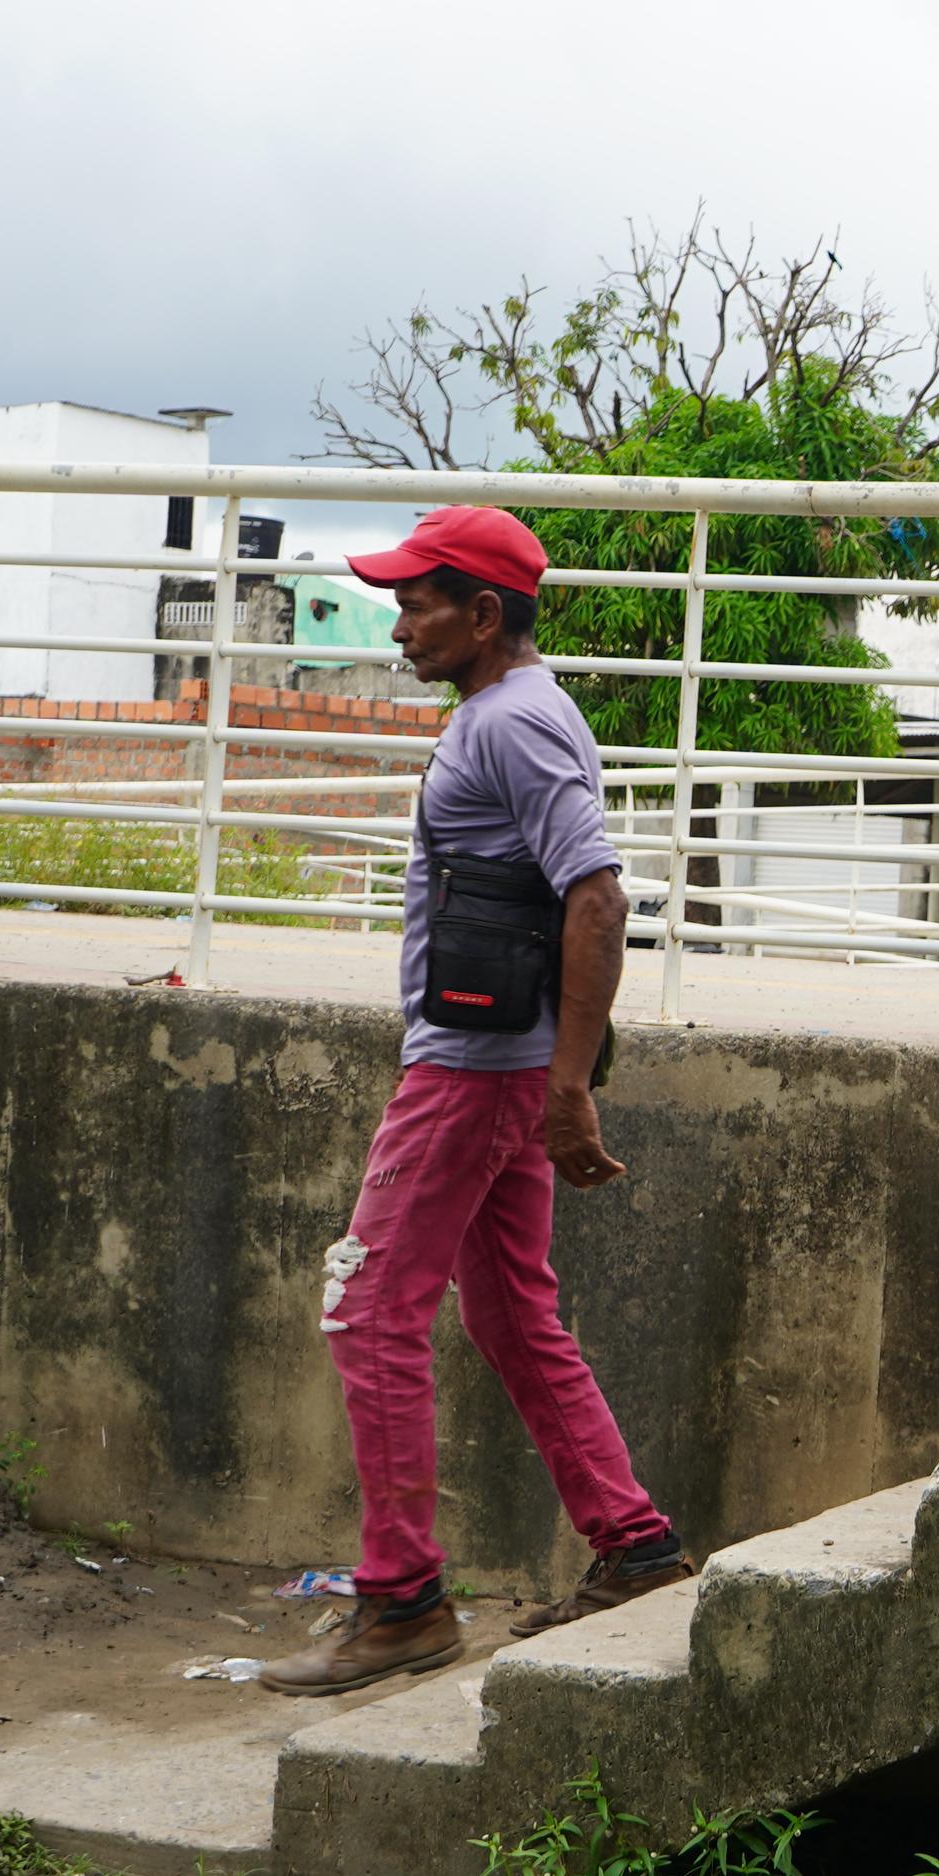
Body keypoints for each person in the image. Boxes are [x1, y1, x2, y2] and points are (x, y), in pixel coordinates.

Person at [266, 505, 692, 1696]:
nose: (398, 624)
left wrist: (568, 1090)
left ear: (484, 613)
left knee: (369, 1309)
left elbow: (596, 899)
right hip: (490, 1062)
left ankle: (401, 1599)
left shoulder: (514, 722)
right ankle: (636, 1547)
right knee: (510, 1314)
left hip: (470, 1070)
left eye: (417, 604)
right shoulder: (503, 715)